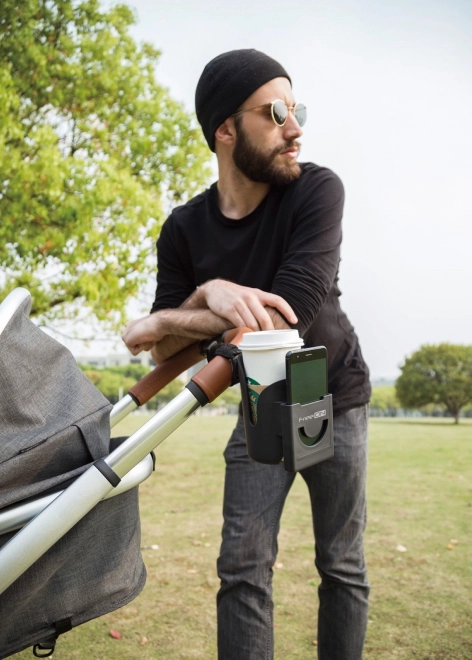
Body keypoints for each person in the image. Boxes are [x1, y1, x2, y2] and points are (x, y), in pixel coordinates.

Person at [122, 49, 371, 660]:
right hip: (263, 403)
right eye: (276, 111)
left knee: (340, 565)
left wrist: (179, 310)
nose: (295, 127)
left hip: (333, 396)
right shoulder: (183, 228)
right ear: (225, 130)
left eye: (296, 108)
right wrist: (205, 298)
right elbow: (165, 349)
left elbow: (287, 314)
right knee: (242, 568)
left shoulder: (317, 190)